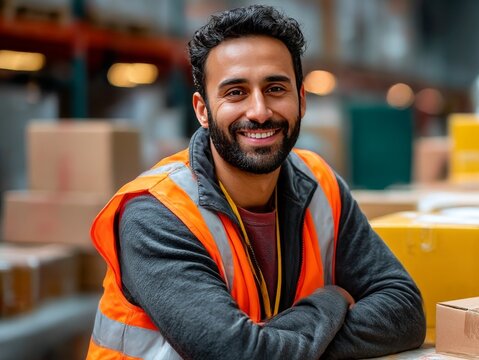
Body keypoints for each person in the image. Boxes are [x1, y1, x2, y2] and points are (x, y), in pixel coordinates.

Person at [87, 5, 425, 359]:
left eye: (275, 88)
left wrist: (273, 345)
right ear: (202, 110)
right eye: (236, 92)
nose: (260, 111)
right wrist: (329, 301)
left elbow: (404, 312)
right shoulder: (156, 214)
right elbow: (236, 353)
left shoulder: (321, 185)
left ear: (302, 99)